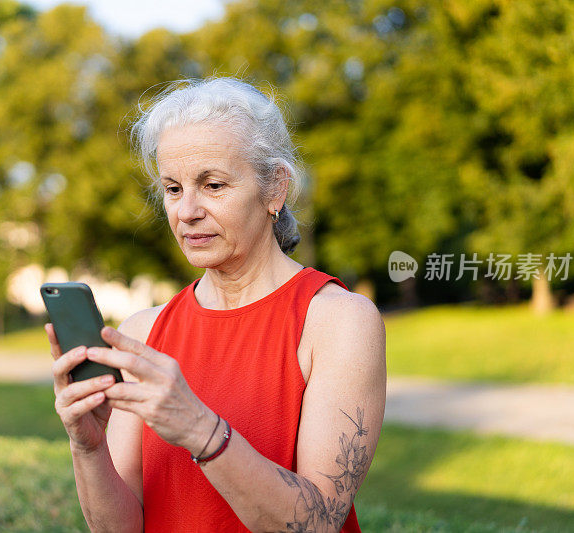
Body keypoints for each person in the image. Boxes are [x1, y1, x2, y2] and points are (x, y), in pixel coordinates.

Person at [45, 76, 386, 533]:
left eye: (213, 185)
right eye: (173, 189)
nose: (186, 211)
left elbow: (318, 523)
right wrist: (88, 448)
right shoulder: (144, 332)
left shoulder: (339, 320)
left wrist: (200, 430)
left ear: (275, 189)